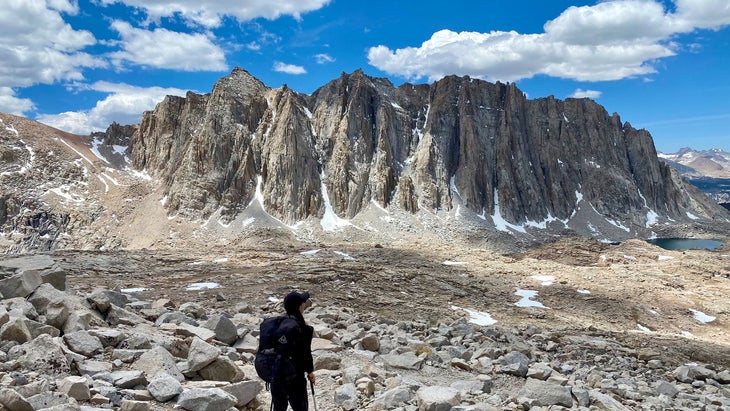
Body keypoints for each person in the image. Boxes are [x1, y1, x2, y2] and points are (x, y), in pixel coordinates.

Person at [270, 291, 316, 411]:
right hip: (295, 378)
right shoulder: (303, 328)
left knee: (279, 408)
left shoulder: (277, 324)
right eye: (303, 303)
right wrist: (310, 372)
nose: (304, 305)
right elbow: (306, 353)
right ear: (300, 306)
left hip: (276, 375)